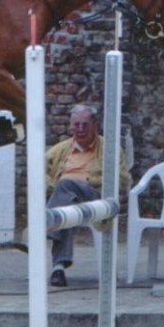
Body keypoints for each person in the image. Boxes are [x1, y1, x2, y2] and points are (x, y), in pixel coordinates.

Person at [46, 104, 131, 287]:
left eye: (85, 124)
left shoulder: (110, 149)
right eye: (76, 125)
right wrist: (49, 183)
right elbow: (39, 168)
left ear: (95, 125)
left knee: (65, 185)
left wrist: (94, 180)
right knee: (65, 206)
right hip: (67, 198)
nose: (80, 129)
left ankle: (45, 228)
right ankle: (58, 269)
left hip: (94, 196)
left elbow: (123, 179)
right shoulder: (61, 149)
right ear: (70, 127)